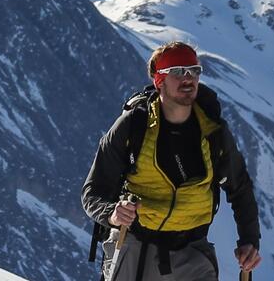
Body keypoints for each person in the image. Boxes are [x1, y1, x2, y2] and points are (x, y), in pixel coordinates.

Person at [82, 42, 263, 280]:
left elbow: (239, 187)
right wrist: (112, 214)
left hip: (192, 254)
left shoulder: (213, 132)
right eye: (177, 71)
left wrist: (249, 240)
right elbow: (92, 191)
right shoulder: (133, 126)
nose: (188, 78)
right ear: (159, 81)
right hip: (136, 247)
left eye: (194, 71)